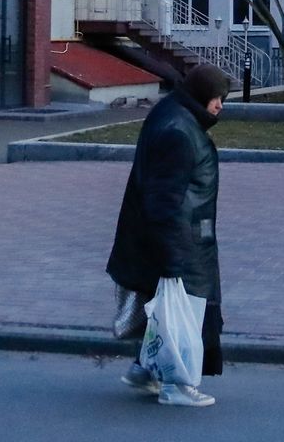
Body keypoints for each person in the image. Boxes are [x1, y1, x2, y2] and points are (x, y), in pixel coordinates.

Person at [106, 62, 233, 407]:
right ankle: (176, 385)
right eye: (216, 98)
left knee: (169, 312)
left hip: (176, 236)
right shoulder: (179, 131)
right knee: (183, 314)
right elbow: (164, 200)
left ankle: (144, 369)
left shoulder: (175, 114)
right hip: (181, 238)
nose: (220, 105)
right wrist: (172, 258)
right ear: (199, 96)